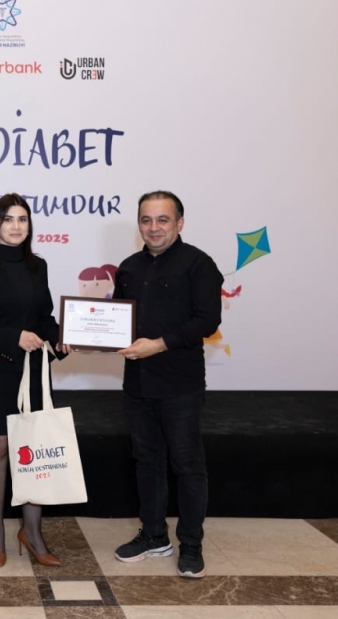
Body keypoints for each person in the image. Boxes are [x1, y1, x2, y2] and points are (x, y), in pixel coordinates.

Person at [112, 191, 223, 578]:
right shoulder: (128, 268)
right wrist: (84, 337)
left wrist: (157, 345)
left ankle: (191, 544)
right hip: (137, 384)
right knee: (147, 461)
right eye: (146, 220)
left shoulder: (199, 264)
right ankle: (154, 535)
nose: (154, 227)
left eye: (162, 219)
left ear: (179, 223)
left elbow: (207, 321)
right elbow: (116, 321)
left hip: (180, 384)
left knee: (187, 465)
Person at [0, 193, 69, 568]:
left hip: (32, 370)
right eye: (8, 219)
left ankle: (32, 532)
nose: (16, 226)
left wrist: (62, 338)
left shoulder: (39, 266)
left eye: (22, 219)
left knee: (33, 449)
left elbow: (44, 318)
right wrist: (13, 337)